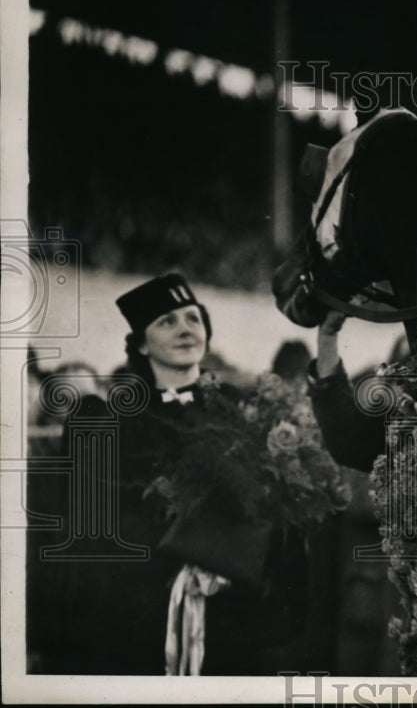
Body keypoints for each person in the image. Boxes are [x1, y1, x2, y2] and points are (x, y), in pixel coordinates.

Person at [26, 274, 275, 675]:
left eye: (193, 319)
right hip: (144, 614)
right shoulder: (117, 420)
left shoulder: (243, 411)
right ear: (141, 344)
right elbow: (99, 532)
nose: (185, 329)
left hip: (229, 610)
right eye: (167, 321)